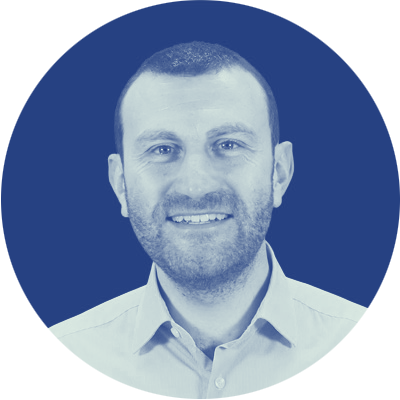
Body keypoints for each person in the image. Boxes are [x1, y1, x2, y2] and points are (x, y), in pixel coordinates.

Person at [48, 41, 368, 399]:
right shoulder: (59, 361)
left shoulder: (377, 354)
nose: (195, 186)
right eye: (162, 149)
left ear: (279, 172)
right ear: (120, 184)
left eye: (228, 145)